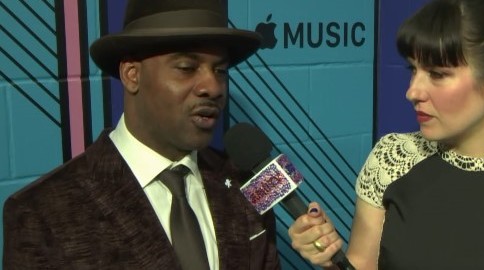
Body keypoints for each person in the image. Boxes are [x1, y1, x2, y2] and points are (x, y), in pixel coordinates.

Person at [288, 0, 484, 269]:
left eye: (438, 74)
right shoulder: (391, 158)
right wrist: (329, 258)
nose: (412, 92)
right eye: (413, 70)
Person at [3, 0, 280, 269]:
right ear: (132, 75)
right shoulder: (40, 213)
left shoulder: (250, 182)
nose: (213, 86)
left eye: (219, 70)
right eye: (187, 68)